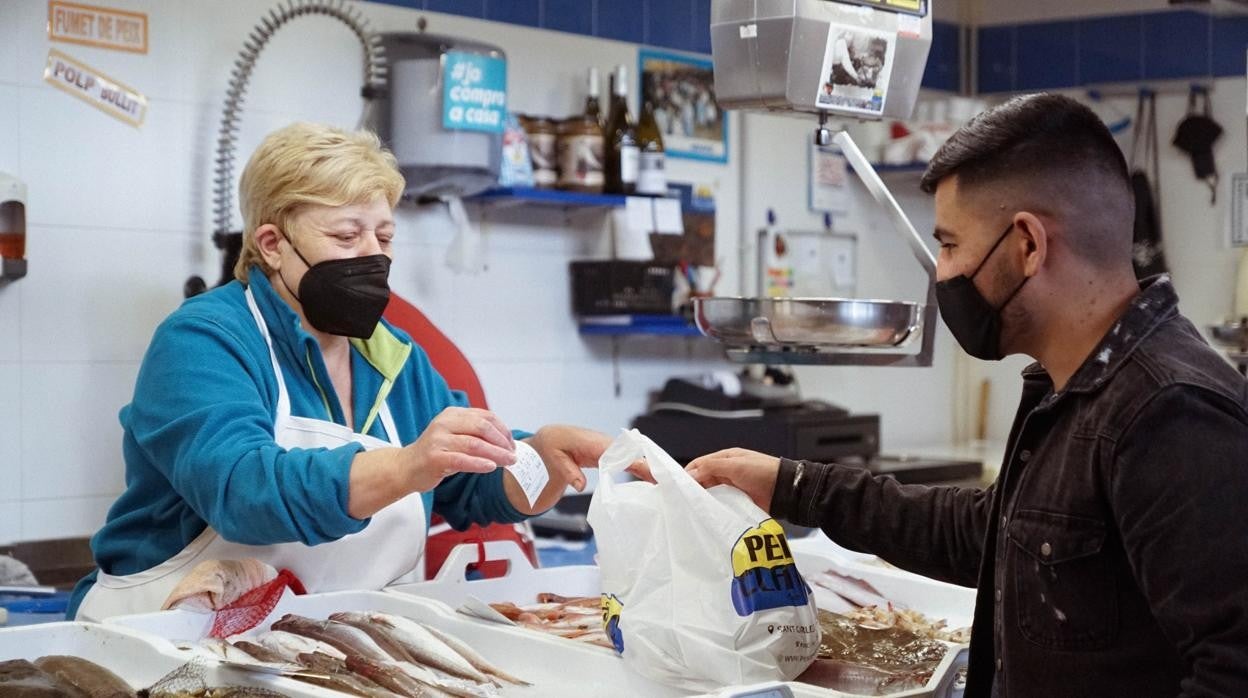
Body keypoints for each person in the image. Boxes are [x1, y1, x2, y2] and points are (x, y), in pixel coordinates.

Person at [686, 94, 1248, 696]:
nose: (943, 272)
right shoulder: (1067, 391)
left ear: (1028, 245)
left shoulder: (1170, 413)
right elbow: (986, 533)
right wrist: (791, 484)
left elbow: (1234, 669)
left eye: (950, 245)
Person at [68, 123, 622, 621]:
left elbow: (469, 482)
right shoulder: (204, 340)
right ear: (272, 245)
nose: (372, 256)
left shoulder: (392, 356)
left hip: (321, 651)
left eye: (383, 237)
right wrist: (404, 466)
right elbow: (243, 491)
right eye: (345, 236)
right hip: (162, 639)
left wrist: (541, 460)